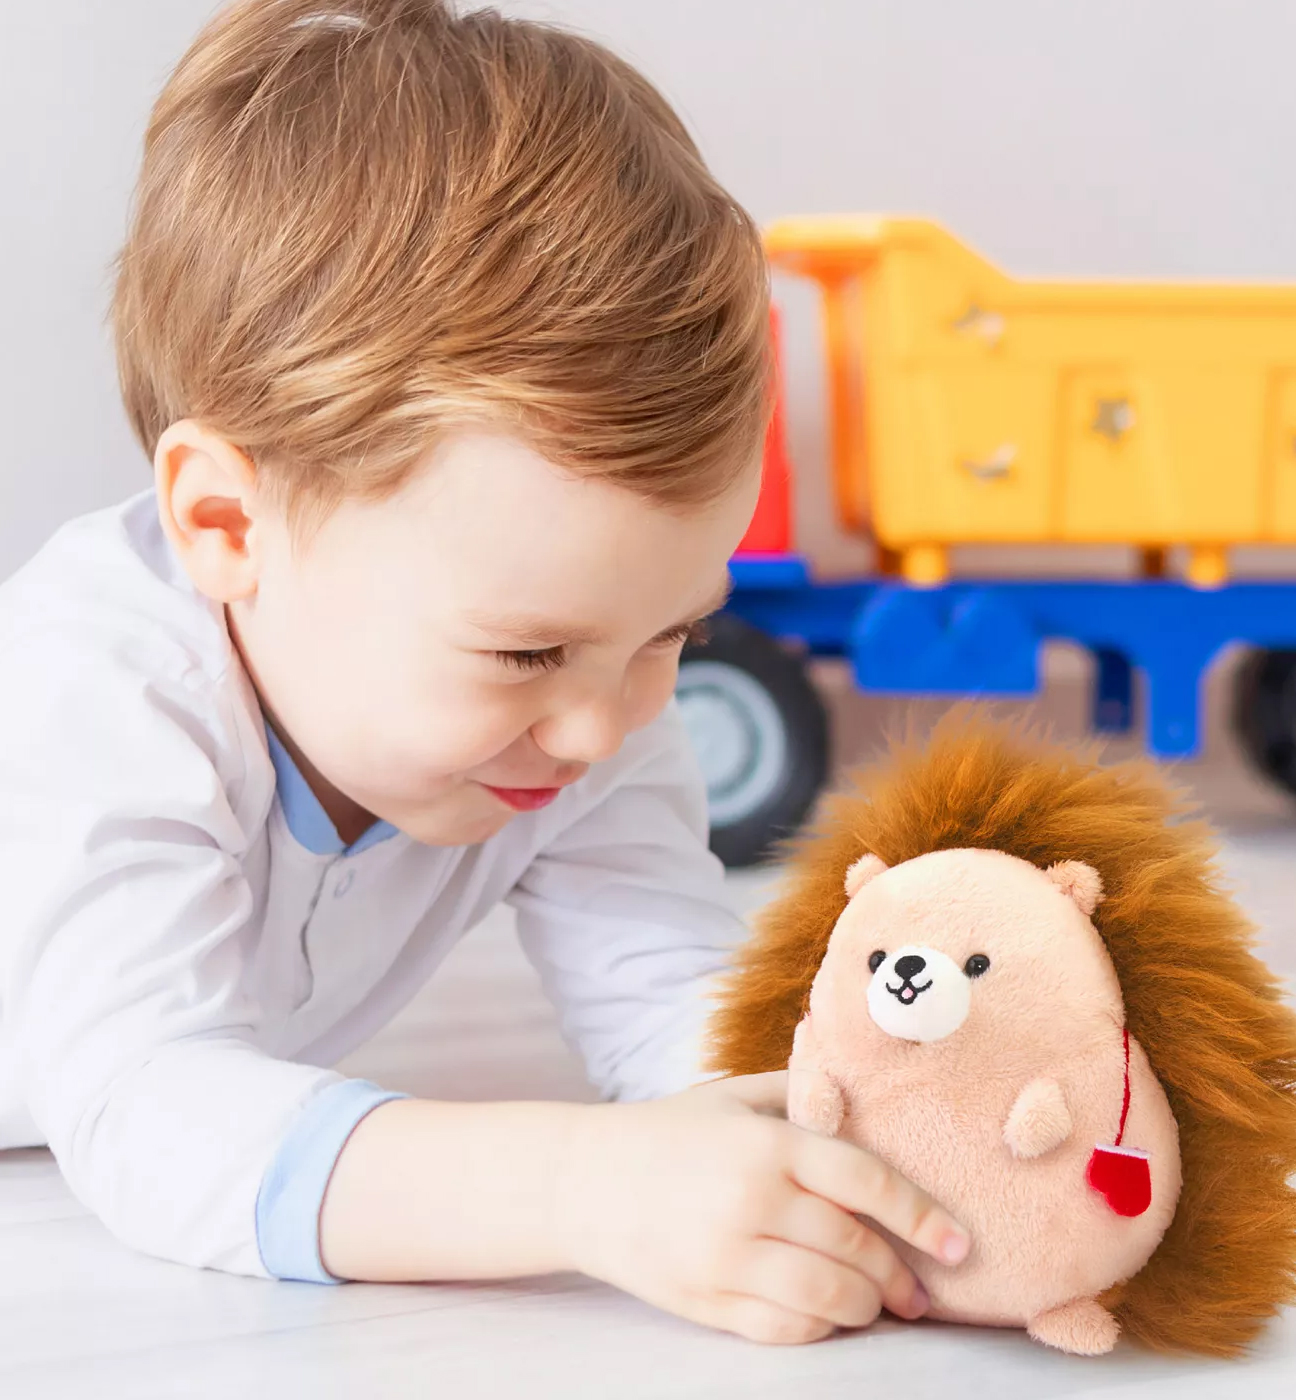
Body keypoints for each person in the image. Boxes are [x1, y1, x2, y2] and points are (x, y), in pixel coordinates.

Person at [0, 0, 968, 1344]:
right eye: (524, 652)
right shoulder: (97, 697)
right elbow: (146, 1111)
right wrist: (579, 1186)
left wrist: (877, 1153)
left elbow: (673, 992)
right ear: (228, 527)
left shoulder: (589, 694)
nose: (602, 726)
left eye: (673, 633)